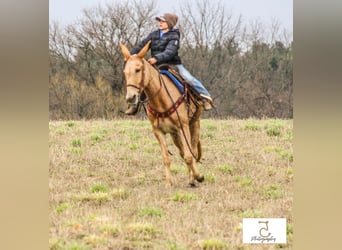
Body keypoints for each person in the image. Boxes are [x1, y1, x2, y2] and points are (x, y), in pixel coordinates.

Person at [125, 13, 214, 115]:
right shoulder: (153, 34)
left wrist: (156, 58)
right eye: (160, 21)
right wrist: (130, 56)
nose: (160, 23)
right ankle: (134, 106)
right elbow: (141, 45)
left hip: (172, 65)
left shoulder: (174, 36)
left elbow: (170, 52)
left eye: (163, 21)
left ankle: (205, 98)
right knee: (141, 81)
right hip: (156, 66)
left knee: (188, 78)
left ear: (170, 23)